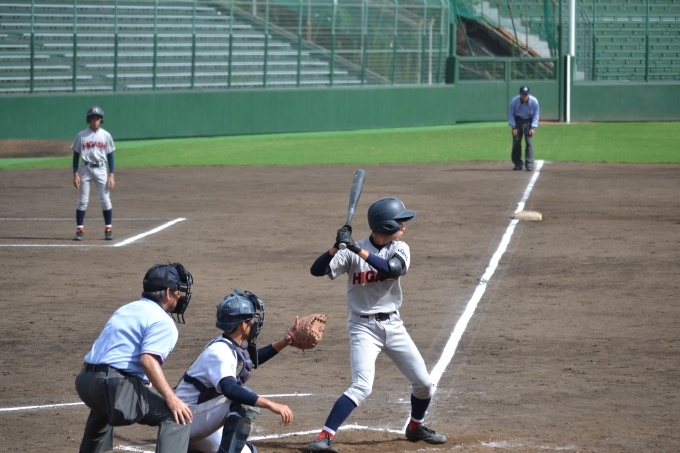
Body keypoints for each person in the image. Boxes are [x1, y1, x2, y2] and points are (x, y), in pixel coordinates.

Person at [307, 197, 446, 452]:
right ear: (387, 225)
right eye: (400, 222)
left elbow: (391, 269)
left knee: (424, 384)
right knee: (362, 386)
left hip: (393, 325)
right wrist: (336, 248)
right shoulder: (351, 250)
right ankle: (324, 437)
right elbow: (316, 270)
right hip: (362, 328)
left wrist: (355, 249)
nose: (404, 226)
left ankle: (415, 427)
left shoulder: (399, 248)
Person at [75, 262, 195, 453]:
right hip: (112, 386)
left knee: (102, 411)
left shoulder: (126, 309)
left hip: (85, 383)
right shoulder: (163, 321)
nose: (179, 295)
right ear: (167, 292)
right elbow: (148, 360)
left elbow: (117, 351)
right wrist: (171, 398)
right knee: (178, 417)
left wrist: (142, 377)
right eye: (177, 291)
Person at [175, 289, 294, 453]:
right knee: (243, 401)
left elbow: (252, 360)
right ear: (243, 325)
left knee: (247, 452)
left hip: (195, 417)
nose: (255, 324)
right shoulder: (220, 352)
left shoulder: (226, 344)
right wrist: (271, 404)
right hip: (184, 422)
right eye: (251, 320)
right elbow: (230, 389)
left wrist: (285, 341)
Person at [72, 105, 116, 241]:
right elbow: (76, 155)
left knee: (105, 200)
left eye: (97, 118)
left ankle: (108, 229)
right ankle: (80, 229)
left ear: (101, 120)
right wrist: (75, 173)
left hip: (101, 169)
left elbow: (110, 156)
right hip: (85, 169)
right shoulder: (81, 135)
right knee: (82, 201)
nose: (95, 121)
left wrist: (111, 174)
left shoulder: (106, 135)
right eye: (92, 118)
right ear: (89, 120)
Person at [508, 85, 540, 171]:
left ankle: (529, 164)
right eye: (523, 94)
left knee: (529, 143)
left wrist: (533, 127)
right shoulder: (514, 101)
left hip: (529, 122)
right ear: (520, 94)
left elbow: (536, 115)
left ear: (529, 94)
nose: (525, 96)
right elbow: (511, 114)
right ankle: (517, 164)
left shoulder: (534, 101)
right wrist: (513, 127)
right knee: (516, 143)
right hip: (517, 121)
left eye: (526, 94)